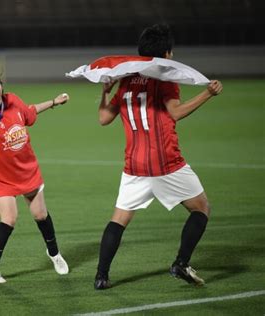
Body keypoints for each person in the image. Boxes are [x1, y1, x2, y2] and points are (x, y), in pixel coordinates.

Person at [94, 24, 223, 290]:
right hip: (166, 162)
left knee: (118, 220)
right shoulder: (165, 78)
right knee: (202, 208)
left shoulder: (128, 78)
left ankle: (101, 276)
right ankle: (181, 263)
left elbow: (103, 118)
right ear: (166, 53)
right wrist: (207, 94)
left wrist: (106, 91)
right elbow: (175, 112)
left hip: (135, 165)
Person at [0, 68, 70, 283]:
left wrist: (54, 102)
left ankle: (54, 254)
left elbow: (30, 112)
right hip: (0, 176)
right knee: (9, 219)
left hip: (26, 169)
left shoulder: (12, 100)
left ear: (1, 85)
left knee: (41, 215)